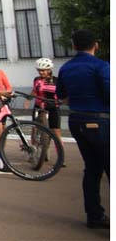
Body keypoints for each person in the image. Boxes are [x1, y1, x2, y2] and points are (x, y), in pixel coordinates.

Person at [56, 30, 109, 229]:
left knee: (92, 169)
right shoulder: (101, 66)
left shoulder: (66, 68)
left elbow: (62, 96)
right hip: (99, 121)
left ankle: (94, 215)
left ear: (74, 46)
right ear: (96, 45)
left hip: (76, 120)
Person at [32, 58, 62, 142]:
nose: (41, 72)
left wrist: (62, 100)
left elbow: (61, 93)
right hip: (38, 106)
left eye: (43, 70)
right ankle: (33, 147)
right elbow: (34, 91)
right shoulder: (36, 80)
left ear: (49, 70)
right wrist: (28, 99)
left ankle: (60, 148)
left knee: (55, 130)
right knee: (34, 128)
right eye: (39, 70)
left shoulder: (56, 80)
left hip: (53, 106)